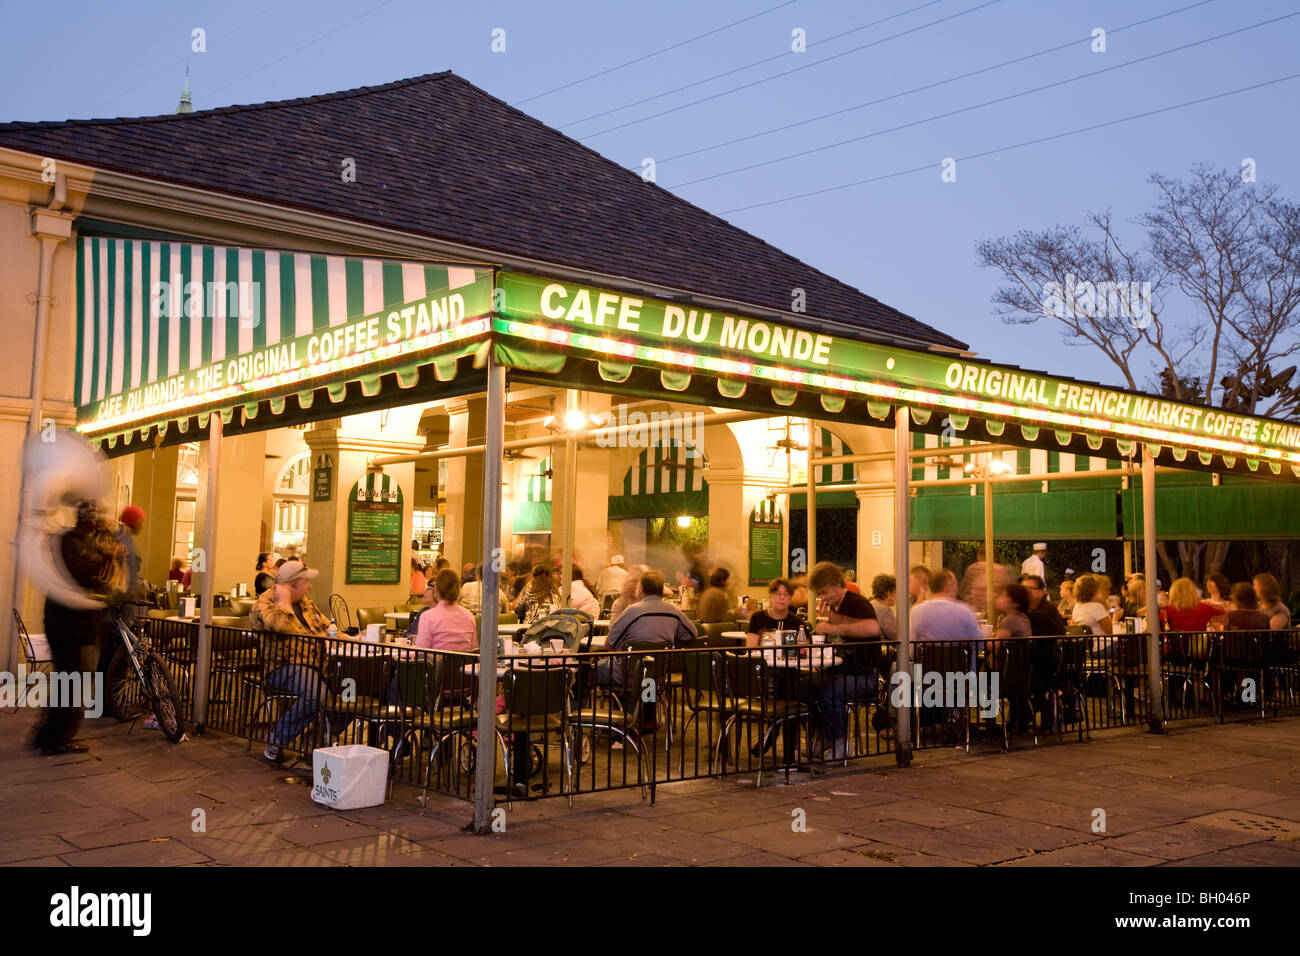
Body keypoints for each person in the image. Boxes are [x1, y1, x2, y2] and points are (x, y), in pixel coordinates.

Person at [32, 501, 123, 756]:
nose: (101, 524)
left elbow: (101, 579)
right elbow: (86, 573)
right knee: (71, 682)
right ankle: (55, 737)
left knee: (69, 681)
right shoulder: (71, 542)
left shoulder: (83, 542)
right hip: (67, 625)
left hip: (76, 624)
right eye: (98, 519)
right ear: (88, 519)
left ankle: (49, 735)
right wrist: (107, 556)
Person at [248, 560, 331, 763]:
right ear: (292, 585)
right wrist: (284, 602)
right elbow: (281, 626)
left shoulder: (307, 604)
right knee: (317, 695)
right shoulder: (263, 606)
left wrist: (355, 640)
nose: (309, 586)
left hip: (321, 665)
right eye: (305, 582)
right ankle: (277, 739)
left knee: (353, 691)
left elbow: (326, 629)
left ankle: (319, 733)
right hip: (284, 668)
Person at [807, 562, 881, 761]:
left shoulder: (858, 603)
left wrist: (834, 627)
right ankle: (824, 736)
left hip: (865, 675)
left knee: (831, 692)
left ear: (834, 584)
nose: (822, 598)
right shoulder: (834, 607)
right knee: (804, 687)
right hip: (839, 671)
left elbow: (872, 628)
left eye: (823, 592)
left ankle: (840, 744)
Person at [600, 570, 696, 690]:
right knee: (647, 685)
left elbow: (609, 645)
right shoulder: (674, 611)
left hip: (626, 675)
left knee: (589, 670)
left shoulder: (632, 611)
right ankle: (641, 704)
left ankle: (618, 705)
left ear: (640, 589)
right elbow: (692, 634)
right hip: (655, 676)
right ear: (662, 590)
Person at [911, 569, 983, 643]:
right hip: (959, 654)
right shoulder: (965, 611)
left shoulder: (917, 611)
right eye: (955, 584)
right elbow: (979, 643)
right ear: (948, 587)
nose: (956, 588)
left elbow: (912, 643)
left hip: (928, 654)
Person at [415, 569, 477, 651]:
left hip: (437, 663)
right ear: (458, 590)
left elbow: (421, 652)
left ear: (436, 590)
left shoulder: (428, 617)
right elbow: (474, 648)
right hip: (463, 663)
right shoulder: (469, 616)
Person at [959, 547, 1013, 617]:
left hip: (976, 610)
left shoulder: (973, 568)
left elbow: (964, 591)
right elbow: (1007, 591)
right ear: (995, 557)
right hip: (995, 609)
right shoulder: (1002, 570)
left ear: (978, 556)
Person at [116, 506, 146, 623]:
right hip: (124, 597)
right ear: (135, 522)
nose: (142, 526)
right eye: (141, 522)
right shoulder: (126, 541)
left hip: (120, 594)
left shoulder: (118, 537)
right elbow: (130, 571)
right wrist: (133, 591)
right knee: (126, 629)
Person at [868, 573, 898, 641]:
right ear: (888, 593)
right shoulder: (884, 611)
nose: (896, 596)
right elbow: (896, 636)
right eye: (895, 592)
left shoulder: (869, 605)